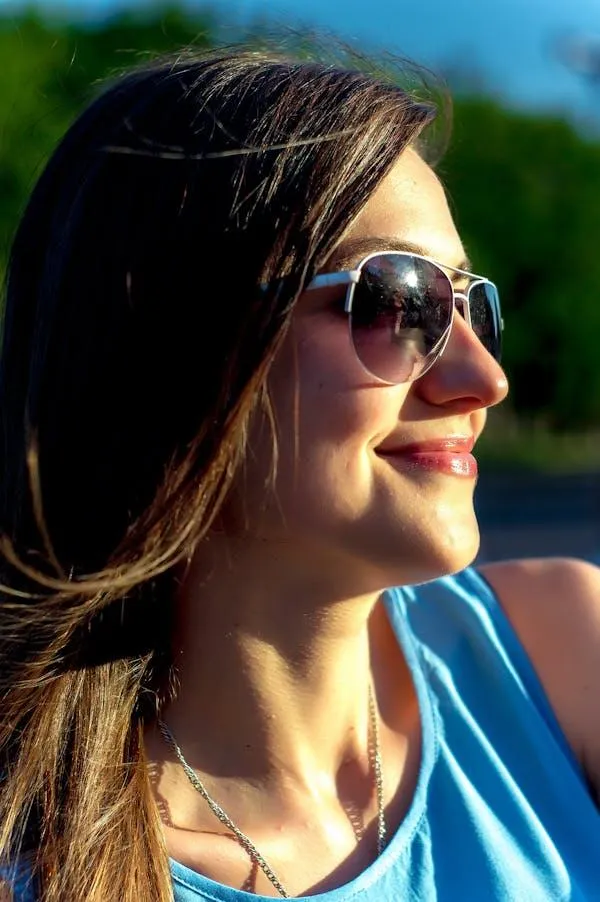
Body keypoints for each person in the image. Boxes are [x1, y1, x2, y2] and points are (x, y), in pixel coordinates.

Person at [0, 45, 598, 902]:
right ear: (175, 347)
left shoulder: (560, 651)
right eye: (400, 302)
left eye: (473, 308)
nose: (484, 379)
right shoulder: (39, 868)